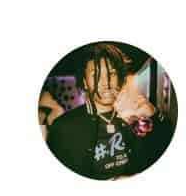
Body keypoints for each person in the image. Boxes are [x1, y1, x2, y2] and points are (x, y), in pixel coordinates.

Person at [44, 44, 173, 181]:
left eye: (112, 73)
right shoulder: (63, 128)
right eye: (96, 75)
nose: (106, 83)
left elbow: (161, 148)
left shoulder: (132, 117)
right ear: (85, 83)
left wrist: (154, 114)